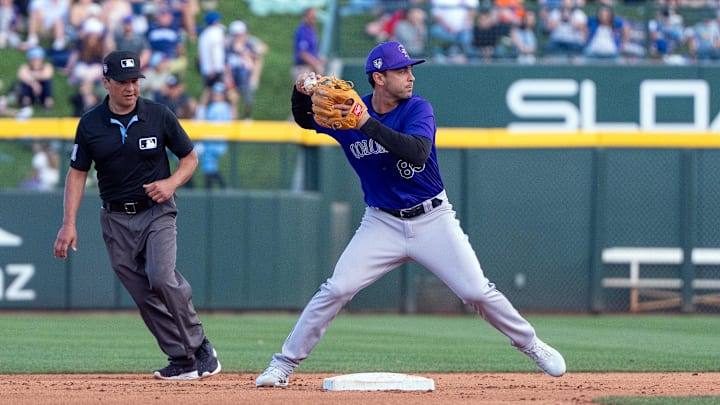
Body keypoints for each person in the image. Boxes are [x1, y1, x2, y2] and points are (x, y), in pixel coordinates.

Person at [255, 41, 566, 388]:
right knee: (337, 288)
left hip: (433, 218)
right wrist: (300, 92)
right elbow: (304, 120)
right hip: (381, 222)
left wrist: (366, 122)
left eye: (410, 69)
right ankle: (282, 365)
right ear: (378, 78)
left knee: (477, 292)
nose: (410, 76)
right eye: (401, 70)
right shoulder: (345, 113)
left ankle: (531, 344)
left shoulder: (418, 109)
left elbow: (417, 152)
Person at [52, 50, 221, 381]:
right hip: (115, 218)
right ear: (106, 82)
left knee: (160, 276)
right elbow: (77, 173)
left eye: (135, 81)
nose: (130, 88)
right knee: (143, 294)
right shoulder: (90, 124)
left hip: (156, 211)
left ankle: (200, 344)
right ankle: (181, 359)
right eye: (123, 81)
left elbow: (189, 159)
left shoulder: (159, 115)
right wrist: (68, 223)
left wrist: (171, 183)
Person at [225, 19, 267, 120]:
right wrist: (228, 78)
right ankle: (233, 121)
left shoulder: (249, 43)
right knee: (233, 100)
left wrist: (244, 52)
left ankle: (247, 117)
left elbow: (258, 54)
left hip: (246, 76)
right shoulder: (229, 46)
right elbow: (226, 64)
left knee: (248, 100)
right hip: (234, 76)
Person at [291, 7, 326, 79]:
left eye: (315, 17)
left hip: (309, 68)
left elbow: (311, 52)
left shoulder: (312, 30)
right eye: (312, 17)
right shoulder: (303, 31)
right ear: (305, 17)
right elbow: (302, 54)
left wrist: (319, 59)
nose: (314, 19)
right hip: (302, 68)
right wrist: (316, 64)